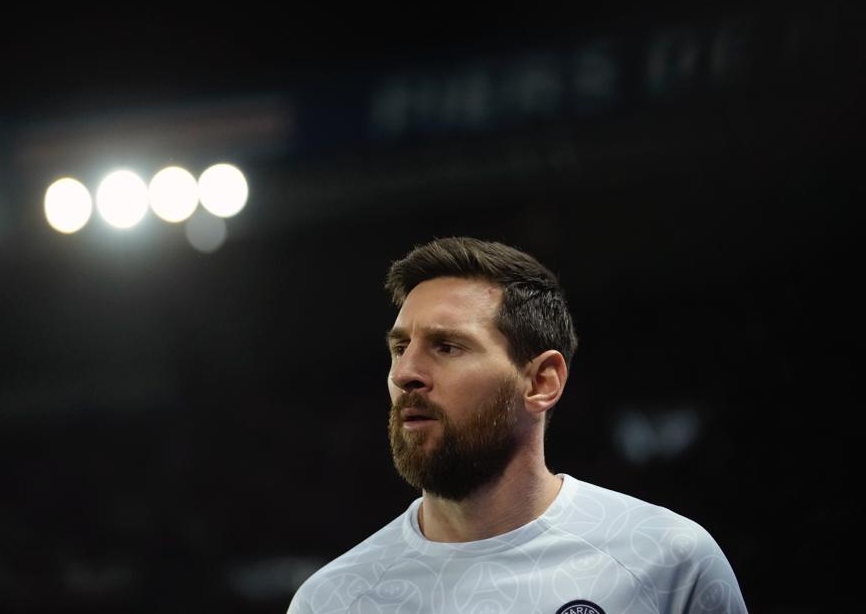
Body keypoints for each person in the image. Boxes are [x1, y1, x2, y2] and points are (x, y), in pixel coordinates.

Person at [288, 237, 747, 614]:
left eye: (447, 346)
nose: (405, 373)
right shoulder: (332, 601)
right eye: (400, 348)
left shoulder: (667, 561)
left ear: (542, 382)